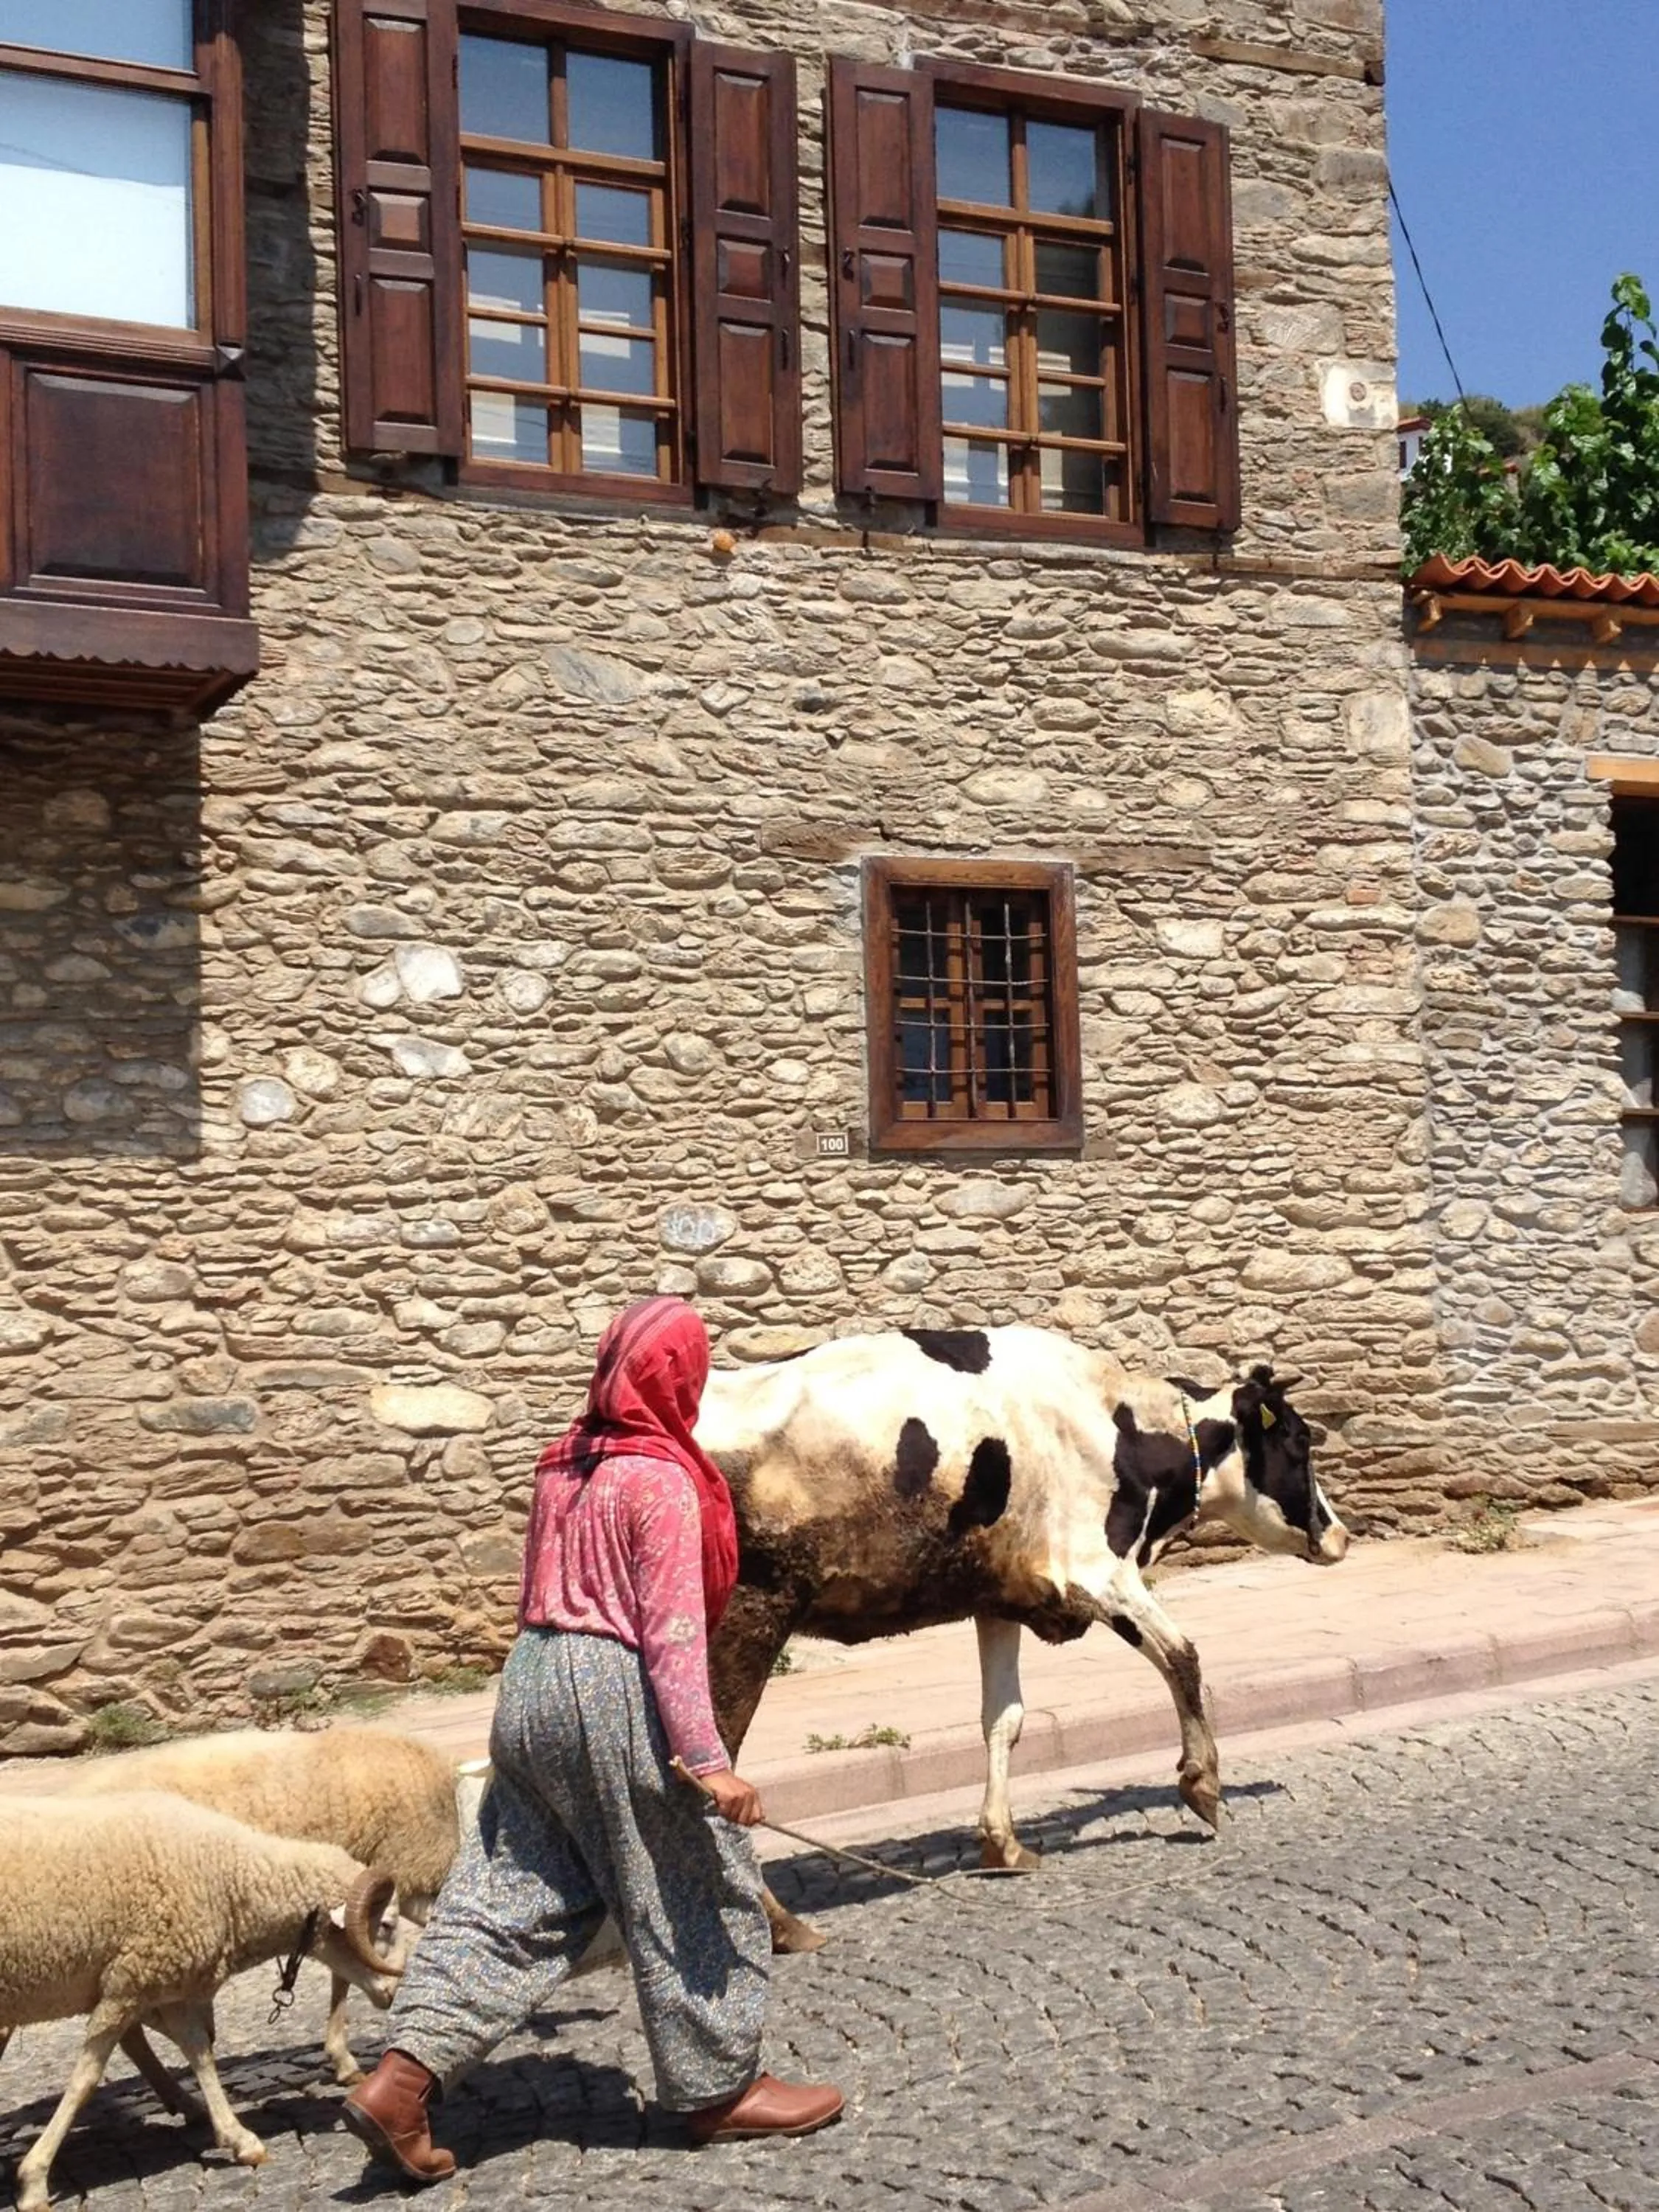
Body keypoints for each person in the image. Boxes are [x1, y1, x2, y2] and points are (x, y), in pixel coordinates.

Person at [342, 1296, 844, 2177]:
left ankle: (402, 2079)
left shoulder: (563, 1461)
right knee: (695, 1879)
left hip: (531, 1679)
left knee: (508, 1892)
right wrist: (707, 1762)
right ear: (676, 1379)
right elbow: (674, 1634)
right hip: (611, 1686)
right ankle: (721, 2091)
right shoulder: (660, 1479)